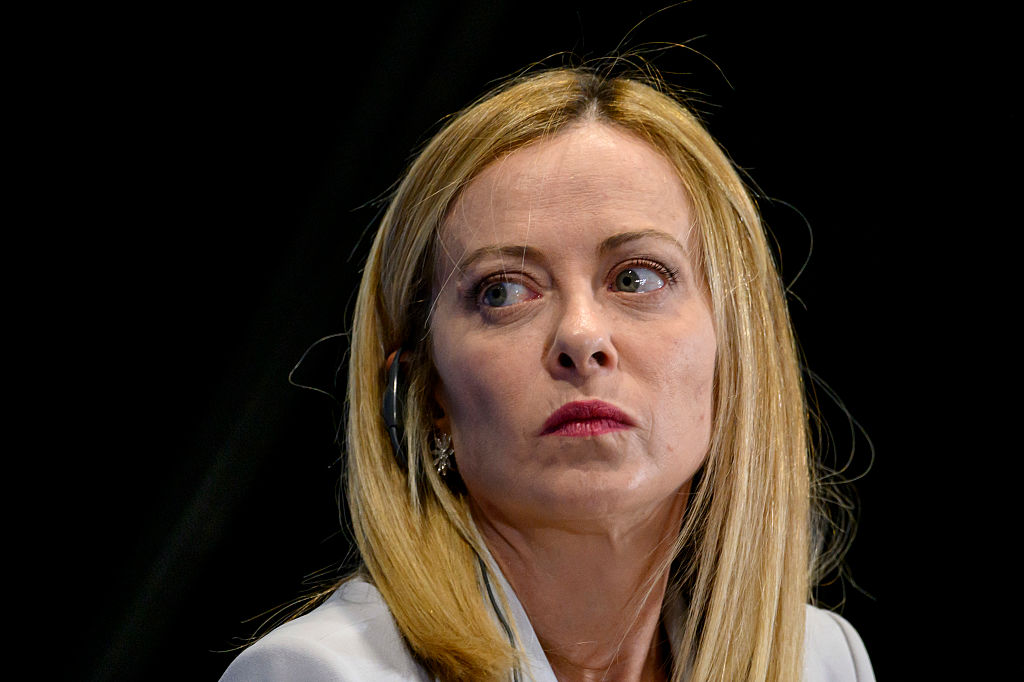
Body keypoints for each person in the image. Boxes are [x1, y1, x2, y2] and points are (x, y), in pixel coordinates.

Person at [221, 67, 874, 681]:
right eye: (503, 291)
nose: (581, 336)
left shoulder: (822, 661)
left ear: (734, 352)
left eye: (636, 278)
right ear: (427, 392)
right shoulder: (318, 673)